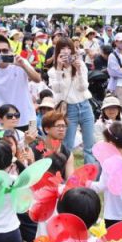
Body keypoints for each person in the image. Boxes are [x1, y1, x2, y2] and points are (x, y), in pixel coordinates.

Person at [0, 34, 42, 138]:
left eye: (5, 50)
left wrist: (23, 65)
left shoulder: (21, 62)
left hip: (29, 117)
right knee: (6, 150)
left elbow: (37, 79)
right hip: (3, 120)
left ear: (10, 50)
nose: (1, 53)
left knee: (32, 148)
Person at [48, 37, 96, 166]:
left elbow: (83, 87)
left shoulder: (80, 65)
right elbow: (57, 90)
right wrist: (59, 68)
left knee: (89, 146)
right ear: (57, 51)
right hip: (68, 109)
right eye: (62, 48)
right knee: (67, 146)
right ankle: (65, 176)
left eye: (69, 48)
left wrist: (79, 70)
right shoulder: (53, 71)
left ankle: (91, 178)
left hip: (85, 105)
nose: (66, 51)